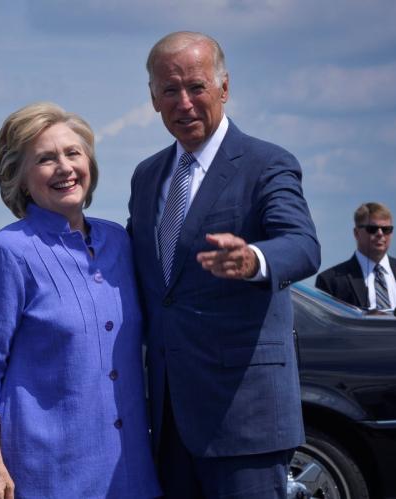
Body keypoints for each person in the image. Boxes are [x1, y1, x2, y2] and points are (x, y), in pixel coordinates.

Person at [127, 31, 321, 498]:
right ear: (153, 99)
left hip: (245, 416)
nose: (184, 102)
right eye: (170, 90)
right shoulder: (147, 175)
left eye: (196, 87)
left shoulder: (265, 163)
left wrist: (253, 259)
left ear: (224, 89)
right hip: (170, 420)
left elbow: (302, 245)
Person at [0, 102, 161, 499]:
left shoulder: (120, 242)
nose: (65, 168)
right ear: (20, 178)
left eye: (73, 153)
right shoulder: (8, 252)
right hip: (48, 474)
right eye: (46, 159)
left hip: (131, 469)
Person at [316, 202, 396, 311]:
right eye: (372, 229)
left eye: (386, 230)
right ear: (356, 233)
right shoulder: (331, 281)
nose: (380, 234)